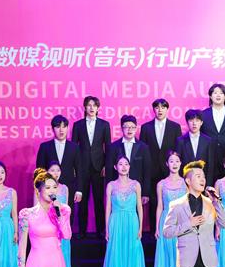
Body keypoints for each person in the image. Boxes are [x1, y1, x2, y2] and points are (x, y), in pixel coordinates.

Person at [93, 155, 153, 267]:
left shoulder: (136, 184)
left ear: (130, 167)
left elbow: (139, 207)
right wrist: (107, 228)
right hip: (116, 222)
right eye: (120, 164)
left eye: (126, 164)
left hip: (132, 222)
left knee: (132, 254)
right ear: (115, 167)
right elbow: (108, 208)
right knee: (117, 255)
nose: (124, 167)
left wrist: (140, 227)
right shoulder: (111, 185)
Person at [140, 98, 182, 233]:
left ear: (167, 109)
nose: (160, 110)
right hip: (151, 172)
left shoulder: (175, 127)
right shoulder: (146, 128)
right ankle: (155, 233)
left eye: (163, 107)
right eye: (157, 107)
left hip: (170, 172)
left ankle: (173, 232)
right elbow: (142, 151)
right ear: (153, 110)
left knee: (172, 204)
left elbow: (178, 151)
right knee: (154, 204)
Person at [35, 161, 75, 267]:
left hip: (61, 231)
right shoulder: (40, 189)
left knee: (62, 263)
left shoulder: (64, 188)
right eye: (52, 170)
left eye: (58, 170)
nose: (56, 173)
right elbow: (36, 211)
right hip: (47, 232)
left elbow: (66, 212)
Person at [72, 95, 111, 239]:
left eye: (94, 105)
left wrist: (106, 166)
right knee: (82, 201)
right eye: (89, 105)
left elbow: (108, 147)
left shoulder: (104, 125)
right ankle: (81, 231)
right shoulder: (78, 125)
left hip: (98, 168)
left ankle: (101, 230)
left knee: (99, 200)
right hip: (82, 168)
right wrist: (74, 167)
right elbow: (73, 147)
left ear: (98, 108)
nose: (91, 108)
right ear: (85, 107)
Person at [36, 115, 83, 228]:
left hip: (69, 188)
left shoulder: (74, 147)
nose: (61, 130)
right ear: (53, 129)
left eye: (64, 127)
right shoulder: (45, 147)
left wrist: (79, 190)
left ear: (67, 128)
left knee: (67, 215)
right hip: (48, 189)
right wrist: (41, 189)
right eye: (58, 127)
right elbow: (40, 171)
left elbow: (79, 169)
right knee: (48, 216)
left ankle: (66, 239)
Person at [152, 151, 186, 267]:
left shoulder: (186, 182)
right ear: (167, 164)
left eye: (177, 161)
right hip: (166, 221)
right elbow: (159, 206)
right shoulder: (161, 184)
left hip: (182, 221)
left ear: (181, 163)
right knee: (166, 255)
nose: (174, 164)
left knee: (181, 255)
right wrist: (156, 227)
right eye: (171, 161)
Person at [106, 115, 152, 203]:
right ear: (121, 128)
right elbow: (109, 172)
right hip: (117, 191)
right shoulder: (113, 147)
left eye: (132, 127)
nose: (130, 130)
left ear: (136, 128)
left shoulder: (143, 147)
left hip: (136, 190)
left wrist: (145, 193)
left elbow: (147, 172)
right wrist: (110, 192)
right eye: (126, 127)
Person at [176, 109, 216, 186]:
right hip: (185, 183)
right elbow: (178, 164)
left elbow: (210, 166)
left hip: (203, 183)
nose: (194, 123)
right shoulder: (180, 141)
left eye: (197, 120)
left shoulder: (208, 141)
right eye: (191, 120)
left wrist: (208, 185)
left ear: (201, 122)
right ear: (187, 122)